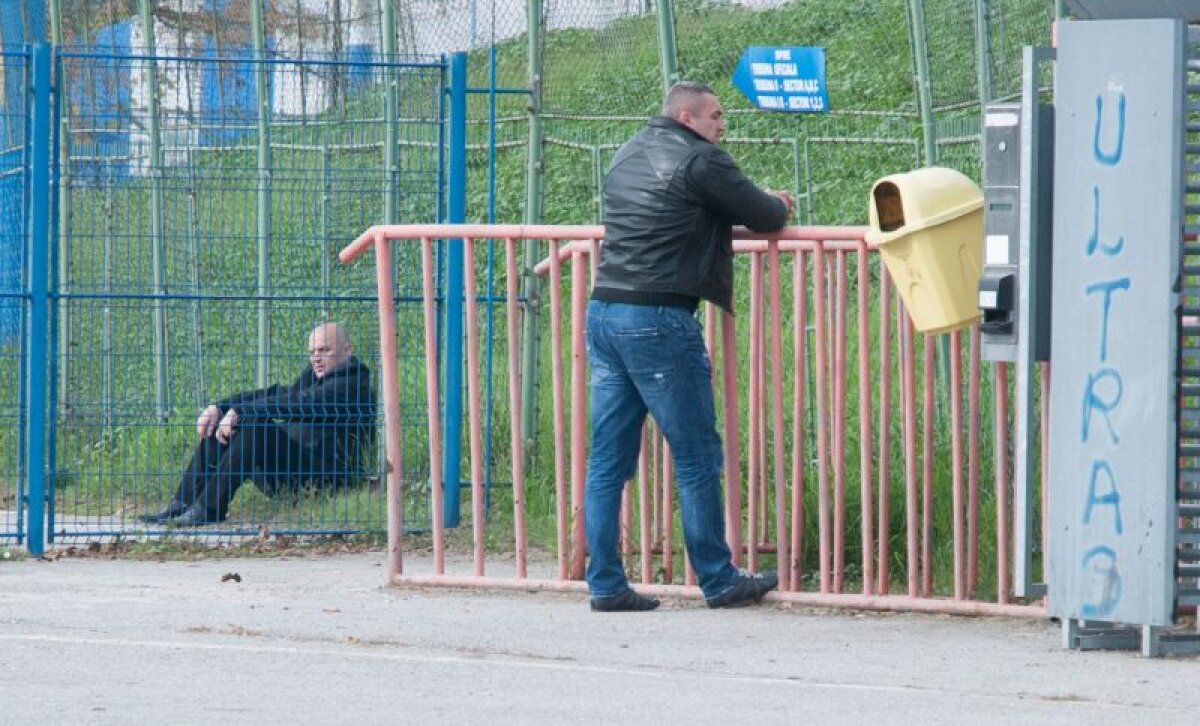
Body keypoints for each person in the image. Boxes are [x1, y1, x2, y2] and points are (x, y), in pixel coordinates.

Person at [586, 81, 794, 611]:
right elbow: (766, 216)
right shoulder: (703, 160)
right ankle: (718, 578)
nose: (722, 125)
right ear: (687, 117)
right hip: (658, 317)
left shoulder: (628, 151)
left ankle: (605, 583)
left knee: (608, 460)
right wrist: (778, 203)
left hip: (605, 311)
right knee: (697, 454)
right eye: (715, 116)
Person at [138, 322, 377, 526]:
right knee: (225, 420)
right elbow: (276, 394)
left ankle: (209, 510)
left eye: (324, 350)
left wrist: (240, 411)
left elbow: (297, 402)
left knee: (255, 423)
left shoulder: (353, 385)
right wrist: (220, 408)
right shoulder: (316, 376)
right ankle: (183, 502)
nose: (316, 358)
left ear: (347, 350)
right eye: (312, 351)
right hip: (293, 469)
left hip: (326, 478)